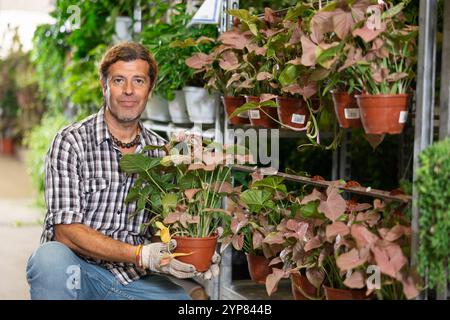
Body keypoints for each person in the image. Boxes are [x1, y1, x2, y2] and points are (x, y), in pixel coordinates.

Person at [26, 42, 219, 300]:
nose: (129, 90)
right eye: (119, 80)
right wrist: (139, 254)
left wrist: (196, 247)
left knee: (187, 302)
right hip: (80, 274)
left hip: (133, 281)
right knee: (48, 259)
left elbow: (162, 230)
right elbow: (66, 232)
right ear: (103, 85)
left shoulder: (162, 153)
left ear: (150, 89)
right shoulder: (71, 142)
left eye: (138, 81)